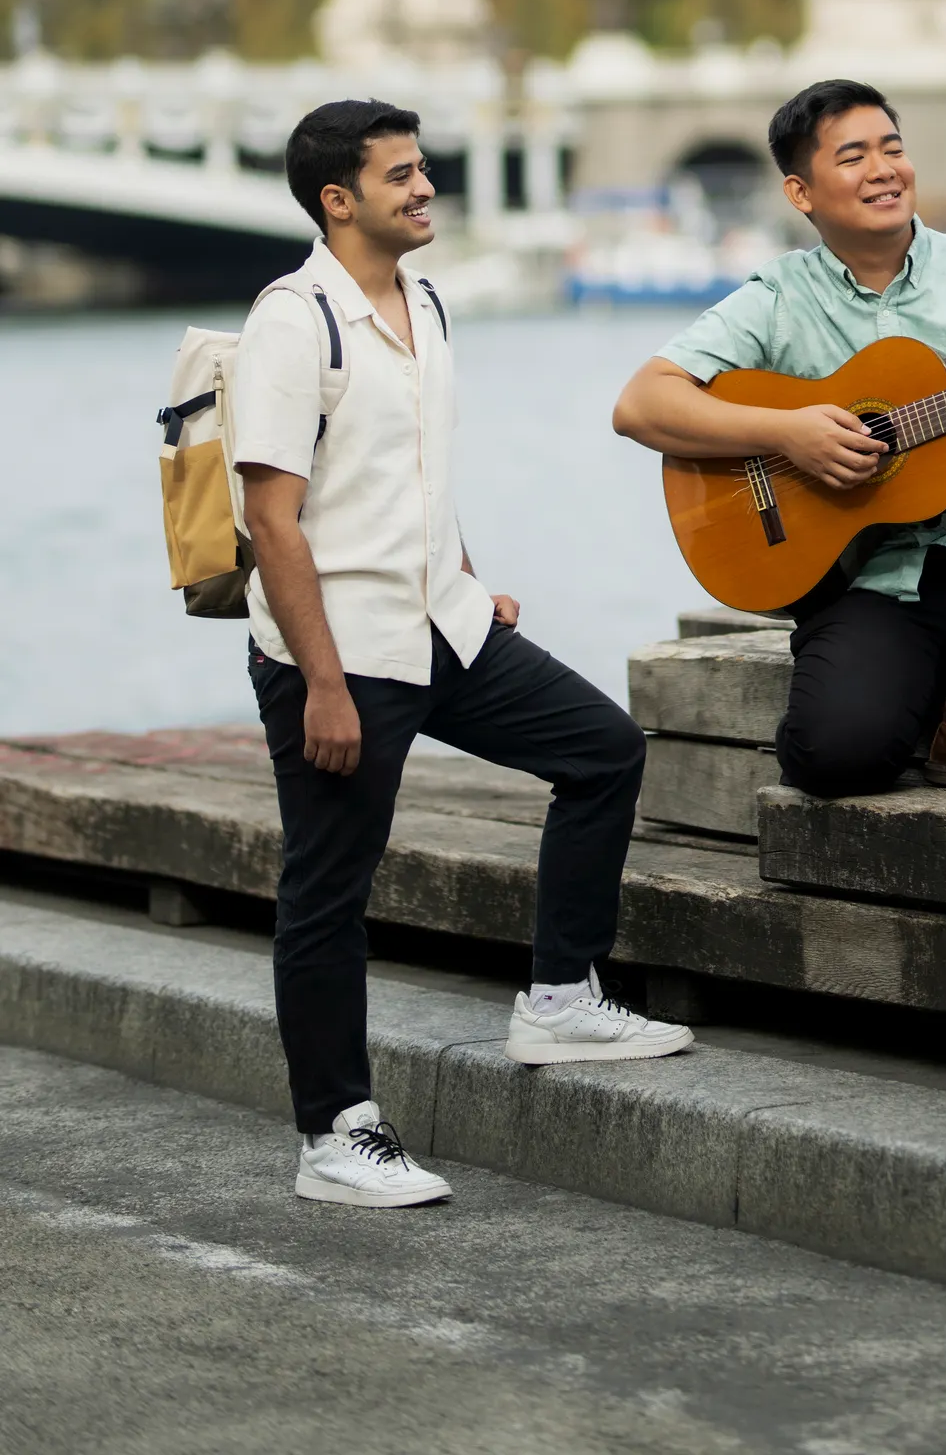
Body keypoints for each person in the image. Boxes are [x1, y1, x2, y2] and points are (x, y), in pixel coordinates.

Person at [235, 97, 692, 1213]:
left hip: (444, 621)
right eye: (400, 175)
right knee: (329, 892)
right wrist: (325, 686)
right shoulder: (296, 322)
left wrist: (472, 579)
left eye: (423, 168)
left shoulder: (427, 301)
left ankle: (557, 996)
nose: (425, 187)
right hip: (340, 652)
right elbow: (270, 520)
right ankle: (335, 1133)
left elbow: (419, 471)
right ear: (338, 199)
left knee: (602, 751)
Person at [614, 79, 946, 795]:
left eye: (893, 149)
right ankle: (902, 691)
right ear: (801, 194)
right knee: (832, 758)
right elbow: (641, 404)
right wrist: (790, 431)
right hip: (873, 585)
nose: (884, 170)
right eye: (854, 156)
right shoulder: (776, 299)